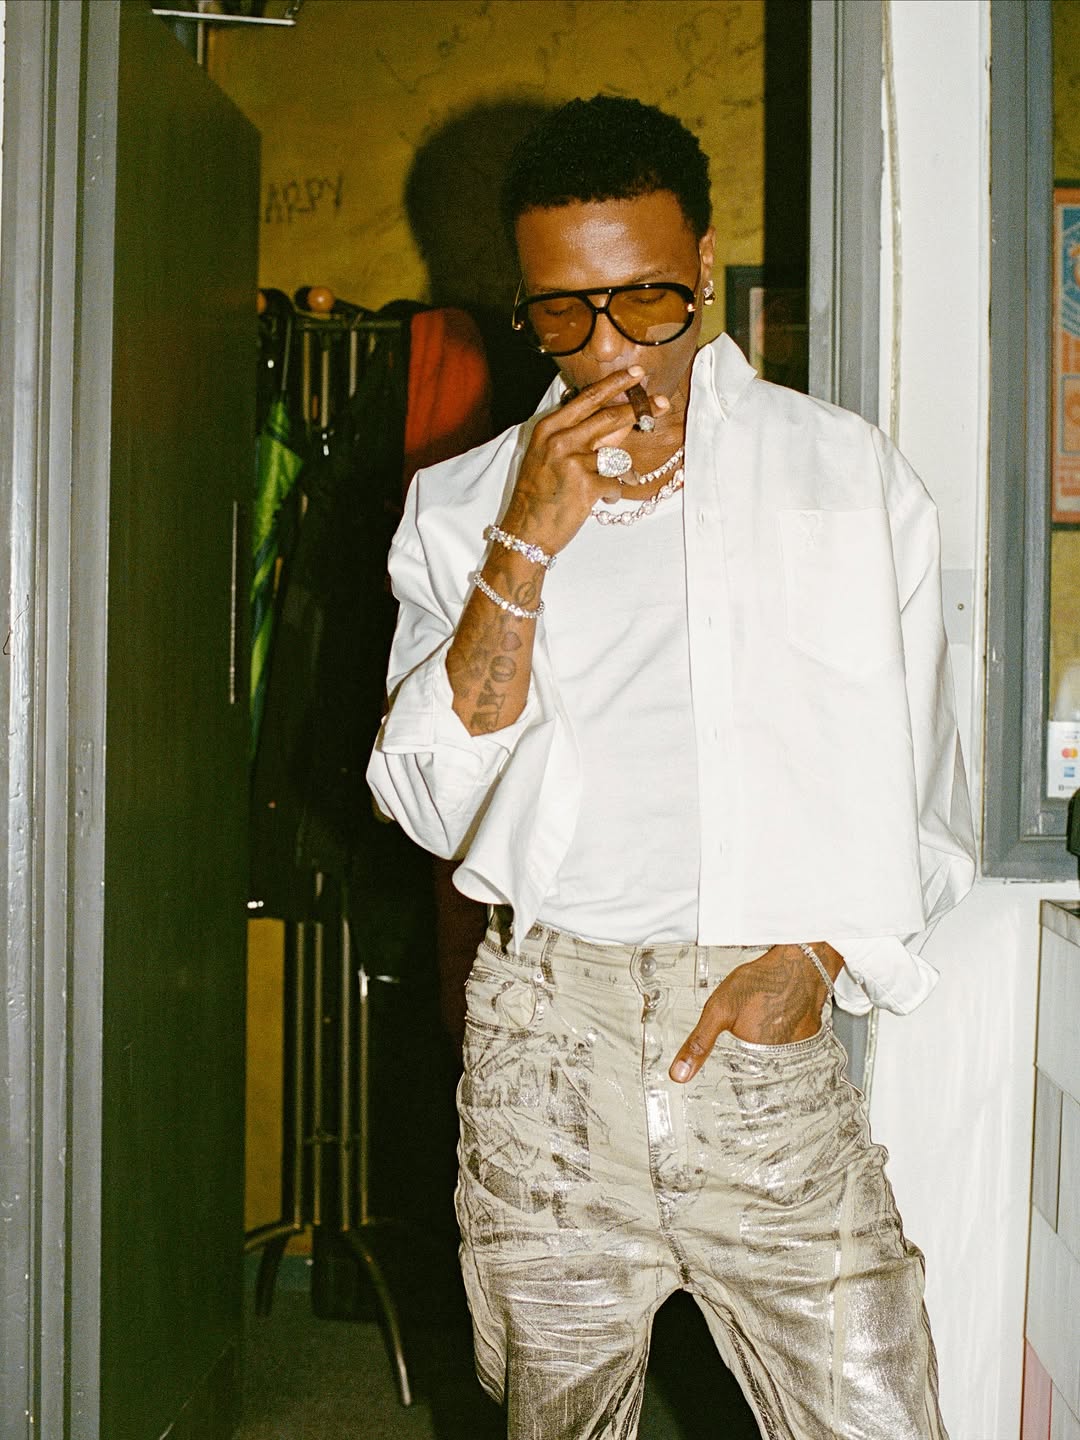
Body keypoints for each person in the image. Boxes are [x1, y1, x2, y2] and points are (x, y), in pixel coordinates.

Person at [367, 95, 975, 1440]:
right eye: (561, 313)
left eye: (645, 300)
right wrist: (527, 542)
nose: (608, 349)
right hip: (550, 1038)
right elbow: (426, 801)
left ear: (703, 263)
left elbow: (930, 781)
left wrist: (814, 958)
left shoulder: (842, 477)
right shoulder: (463, 506)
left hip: (758, 1031)